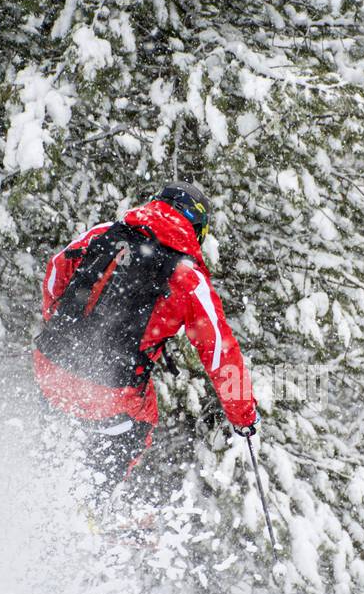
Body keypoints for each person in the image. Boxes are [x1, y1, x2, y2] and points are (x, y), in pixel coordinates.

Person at [33, 182, 259, 502]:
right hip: (112, 393)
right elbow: (222, 354)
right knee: (143, 417)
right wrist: (244, 416)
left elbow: (57, 267)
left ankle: (45, 472)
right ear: (196, 229)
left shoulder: (105, 232)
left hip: (49, 364)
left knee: (63, 416)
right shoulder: (187, 277)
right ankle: (96, 498)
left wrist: (58, 321)